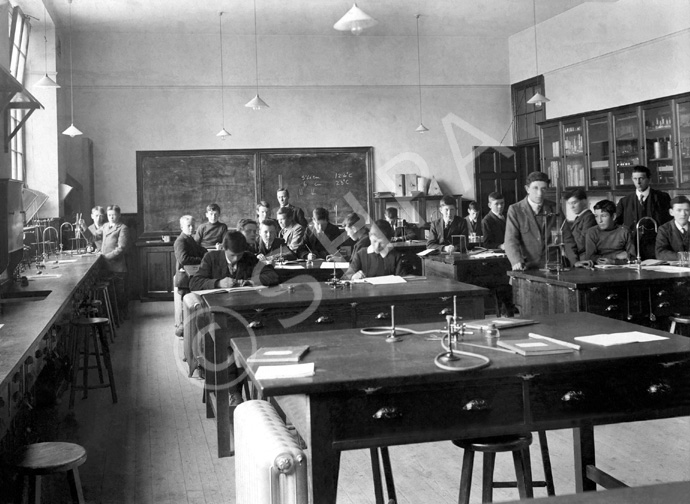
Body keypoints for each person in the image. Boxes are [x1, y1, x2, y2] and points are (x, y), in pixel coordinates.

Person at [505, 171, 577, 270]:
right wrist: (516, 261)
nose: (539, 193)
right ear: (527, 189)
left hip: (552, 267)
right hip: (526, 267)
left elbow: (567, 238)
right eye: (535, 188)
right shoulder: (515, 209)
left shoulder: (554, 208)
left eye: (543, 189)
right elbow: (511, 240)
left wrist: (575, 261)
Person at [189, 231, 280, 291]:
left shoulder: (249, 257)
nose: (236, 259)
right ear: (224, 248)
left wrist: (250, 282)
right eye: (232, 255)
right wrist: (218, 283)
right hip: (217, 306)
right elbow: (194, 283)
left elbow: (272, 275)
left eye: (239, 255)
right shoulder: (211, 258)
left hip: (243, 304)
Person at [615, 165, 672, 260]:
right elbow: (617, 225)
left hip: (656, 247)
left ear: (649, 179)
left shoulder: (662, 197)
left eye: (641, 178)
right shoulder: (625, 201)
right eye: (635, 178)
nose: (638, 182)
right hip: (634, 248)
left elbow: (669, 223)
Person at [173, 215, 206, 337]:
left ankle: (189, 329)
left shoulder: (190, 239)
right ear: (182, 227)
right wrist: (201, 259)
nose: (192, 228)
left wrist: (205, 253)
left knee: (191, 306)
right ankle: (184, 330)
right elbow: (184, 259)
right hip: (184, 279)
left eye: (193, 225)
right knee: (187, 307)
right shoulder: (180, 241)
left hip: (191, 277)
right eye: (188, 226)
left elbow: (199, 249)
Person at [578, 200, 635, 266]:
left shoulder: (624, 231)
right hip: (598, 270)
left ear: (613, 217)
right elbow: (590, 257)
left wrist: (614, 262)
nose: (599, 220)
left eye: (603, 216)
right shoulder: (591, 232)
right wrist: (616, 256)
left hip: (622, 269)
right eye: (596, 216)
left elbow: (632, 258)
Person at [101, 205, 131, 318]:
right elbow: (94, 237)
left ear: (119, 215)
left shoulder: (123, 228)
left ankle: (122, 317)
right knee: (110, 295)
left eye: (113, 215)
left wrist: (105, 257)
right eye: (109, 215)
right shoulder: (105, 226)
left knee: (119, 294)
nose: (111, 217)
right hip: (107, 267)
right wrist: (84, 227)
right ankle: (113, 317)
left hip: (117, 267)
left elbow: (121, 248)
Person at [565, 188, 597, 262]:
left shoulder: (589, 217)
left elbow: (583, 242)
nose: (571, 207)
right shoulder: (579, 217)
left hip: (584, 259)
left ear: (584, 202)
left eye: (574, 203)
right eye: (570, 204)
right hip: (577, 257)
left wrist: (568, 250)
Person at [655, 195, 690, 261]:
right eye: (679, 210)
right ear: (671, 212)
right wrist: (684, 257)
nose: (683, 214)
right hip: (673, 269)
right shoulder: (664, 229)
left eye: (686, 210)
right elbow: (660, 253)